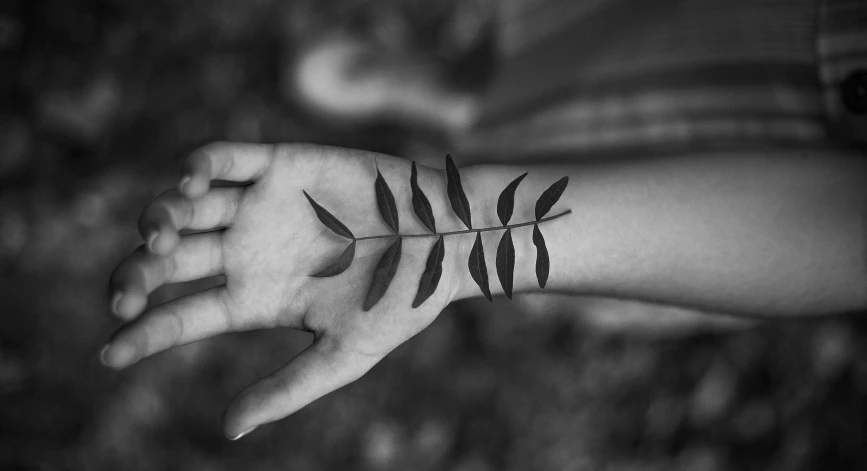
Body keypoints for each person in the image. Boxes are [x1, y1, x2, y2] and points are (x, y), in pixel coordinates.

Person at [103, 0, 867, 440]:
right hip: (764, 29)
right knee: (595, 65)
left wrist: (458, 242)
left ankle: (446, 105)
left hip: (756, 191)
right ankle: (447, 96)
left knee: (568, 150)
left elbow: (846, 228)